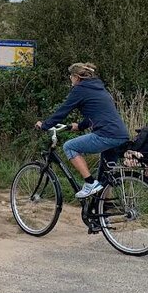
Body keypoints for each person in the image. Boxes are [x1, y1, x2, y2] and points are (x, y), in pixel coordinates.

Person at [35, 62, 129, 199]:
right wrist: (80, 126)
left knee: (69, 147)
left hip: (106, 134)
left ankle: (90, 183)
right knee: (105, 176)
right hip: (120, 135)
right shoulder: (99, 89)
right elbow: (96, 114)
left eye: (70, 77)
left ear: (76, 77)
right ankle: (104, 209)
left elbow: (62, 111)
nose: (70, 80)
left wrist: (45, 125)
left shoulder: (80, 90)